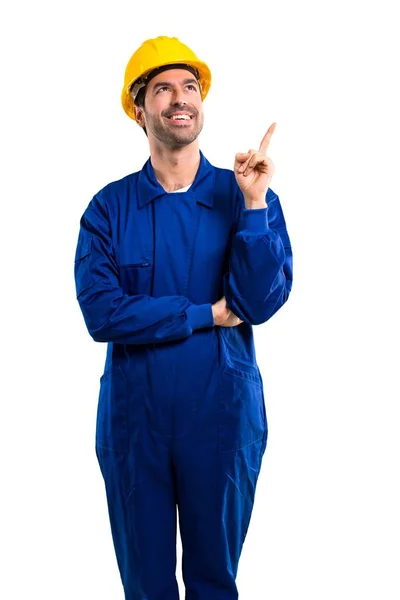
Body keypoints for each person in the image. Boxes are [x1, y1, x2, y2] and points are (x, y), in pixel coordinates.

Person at [74, 35, 293, 600]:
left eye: (190, 86)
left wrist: (250, 206)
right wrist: (201, 313)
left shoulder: (245, 191)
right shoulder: (108, 209)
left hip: (221, 416)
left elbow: (259, 303)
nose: (180, 98)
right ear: (139, 107)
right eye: (164, 87)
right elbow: (102, 313)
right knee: (145, 586)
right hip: (134, 421)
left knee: (214, 582)